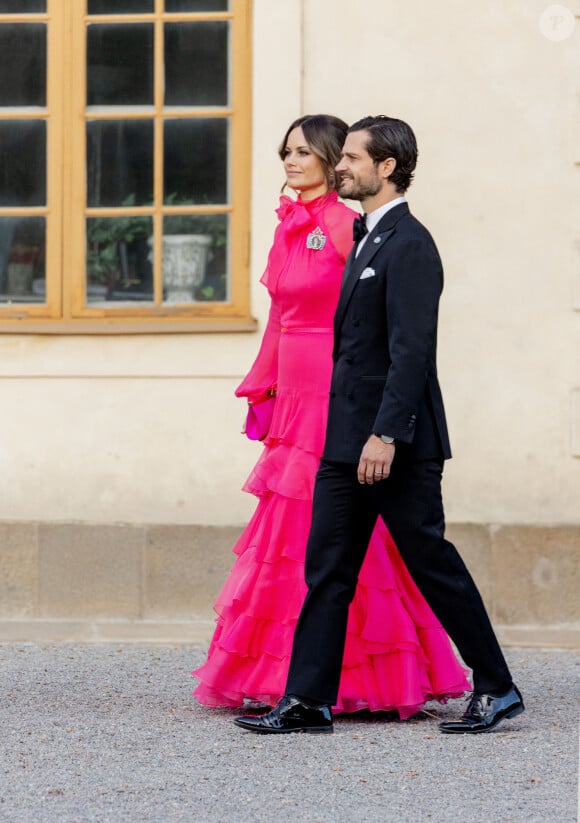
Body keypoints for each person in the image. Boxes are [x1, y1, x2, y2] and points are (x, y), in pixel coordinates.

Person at [234, 115, 525, 736]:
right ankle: (308, 700)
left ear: (385, 168)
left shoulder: (412, 244)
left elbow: (412, 352)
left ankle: (497, 686)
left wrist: (385, 435)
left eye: (353, 159)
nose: (341, 166)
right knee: (328, 566)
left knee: (430, 560)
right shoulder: (366, 236)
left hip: (396, 443)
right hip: (346, 439)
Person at [193, 114, 469, 719]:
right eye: (284, 152)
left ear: (330, 159)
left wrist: (376, 414)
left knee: (334, 538)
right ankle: (288, 678)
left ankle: (360, 677)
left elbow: (375, 319)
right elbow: (279, 316)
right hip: (293, 394)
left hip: (336, 394)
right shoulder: (288, 227)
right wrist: (261, 388)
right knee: (290, 541)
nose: (290, 162)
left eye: (302, 152)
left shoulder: (352, 224)